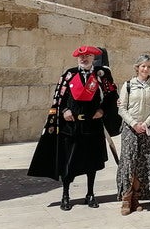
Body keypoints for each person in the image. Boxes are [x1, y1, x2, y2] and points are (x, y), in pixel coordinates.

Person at [28, 45, 118, 211]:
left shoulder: (100, 75)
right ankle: (66, 194)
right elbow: (59, 97)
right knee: (68, 162)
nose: (84, 60)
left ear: (93, 58)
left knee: (92, 162)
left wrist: (102, 109)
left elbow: (112, 94)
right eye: (81, 57)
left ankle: (90, 194)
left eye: (88, 57)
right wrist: (64, 110)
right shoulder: (69, 75)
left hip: (92, 125)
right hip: (71, 126)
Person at [115, 54, 150, 215]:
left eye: (148, 67)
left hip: (146, 129)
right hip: (130, 129)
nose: (145, 69)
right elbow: (122, 108)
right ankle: (126, 198)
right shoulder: (128, 85)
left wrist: (145, 124)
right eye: (143, 66)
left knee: (141, 163)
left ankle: (136, 198)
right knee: (129, 163)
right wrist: (134, 124)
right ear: (137, 68)